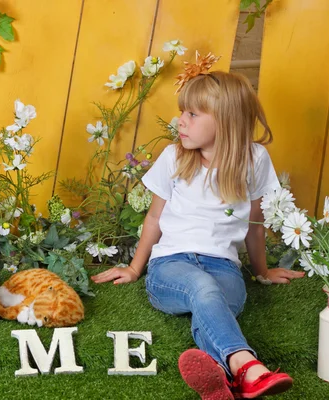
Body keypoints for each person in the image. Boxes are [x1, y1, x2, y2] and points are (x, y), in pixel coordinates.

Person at [91, 68, 305, 399]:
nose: (181, 121)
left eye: (192, 113)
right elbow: (154, 216)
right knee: (203, 289)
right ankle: (248, 366)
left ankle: (219, 379)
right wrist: (135, 268)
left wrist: (262, 271)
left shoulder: (254, 159)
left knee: (212, 300)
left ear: (226, 119)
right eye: (182, 112)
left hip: (225, 267)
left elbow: (254, 223)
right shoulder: (174, 156)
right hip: (170, 267)